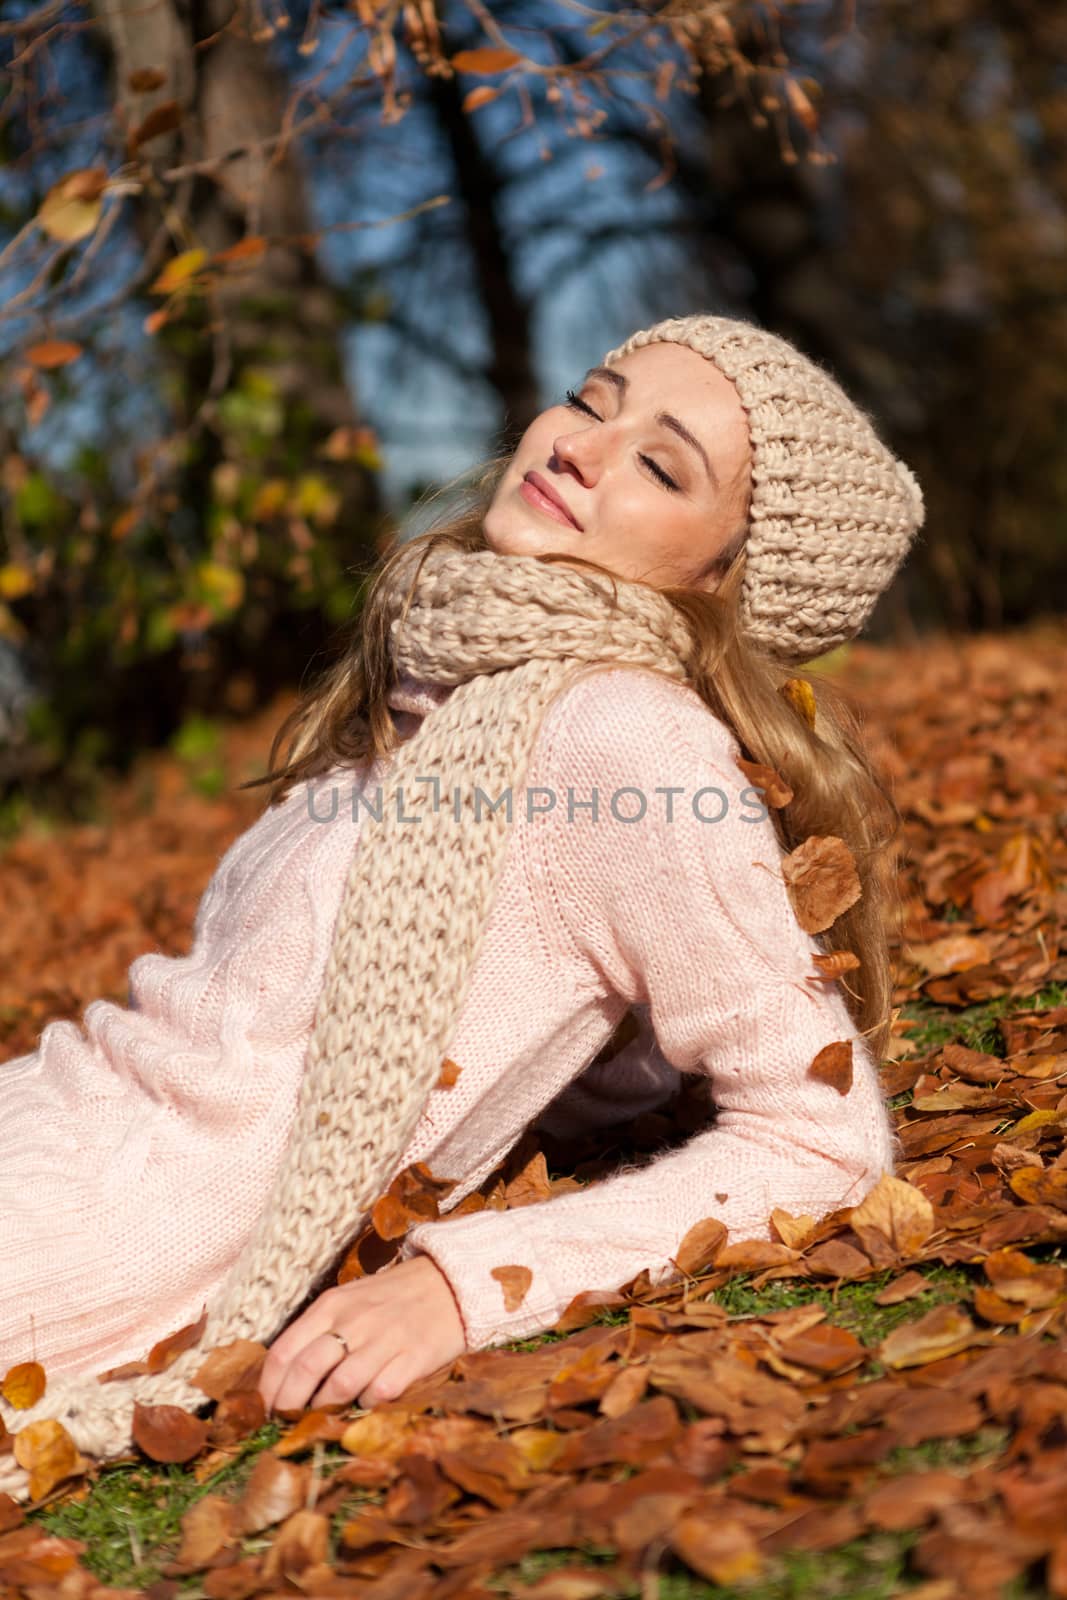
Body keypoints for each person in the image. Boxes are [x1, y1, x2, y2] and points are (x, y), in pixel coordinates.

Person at [0, 314, 923, 1488]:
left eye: (658, 463)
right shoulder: (446, 691)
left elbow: (819, 1137)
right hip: (44, 1124)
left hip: (84, 1230)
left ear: (721, 575)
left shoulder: (625, 739)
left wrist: (463, 1282)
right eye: (595, 401)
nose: (582, 446)